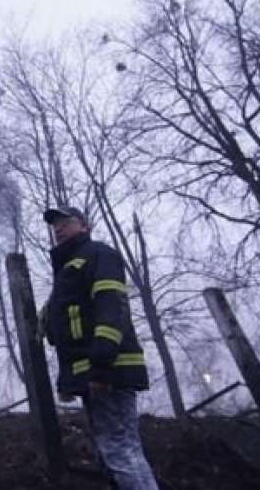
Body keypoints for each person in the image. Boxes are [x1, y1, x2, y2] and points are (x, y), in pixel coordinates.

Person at [40, 206, 158, 490]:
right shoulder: (69, 269)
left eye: (66, 222)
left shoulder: (98, 255)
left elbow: (110, 306)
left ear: (85, 226)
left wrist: (102, 367)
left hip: (109, 369)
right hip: (95, 371)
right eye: (55, 224)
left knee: (120, 450)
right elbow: (71, 327)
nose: (58, 228)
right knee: (114, 450)